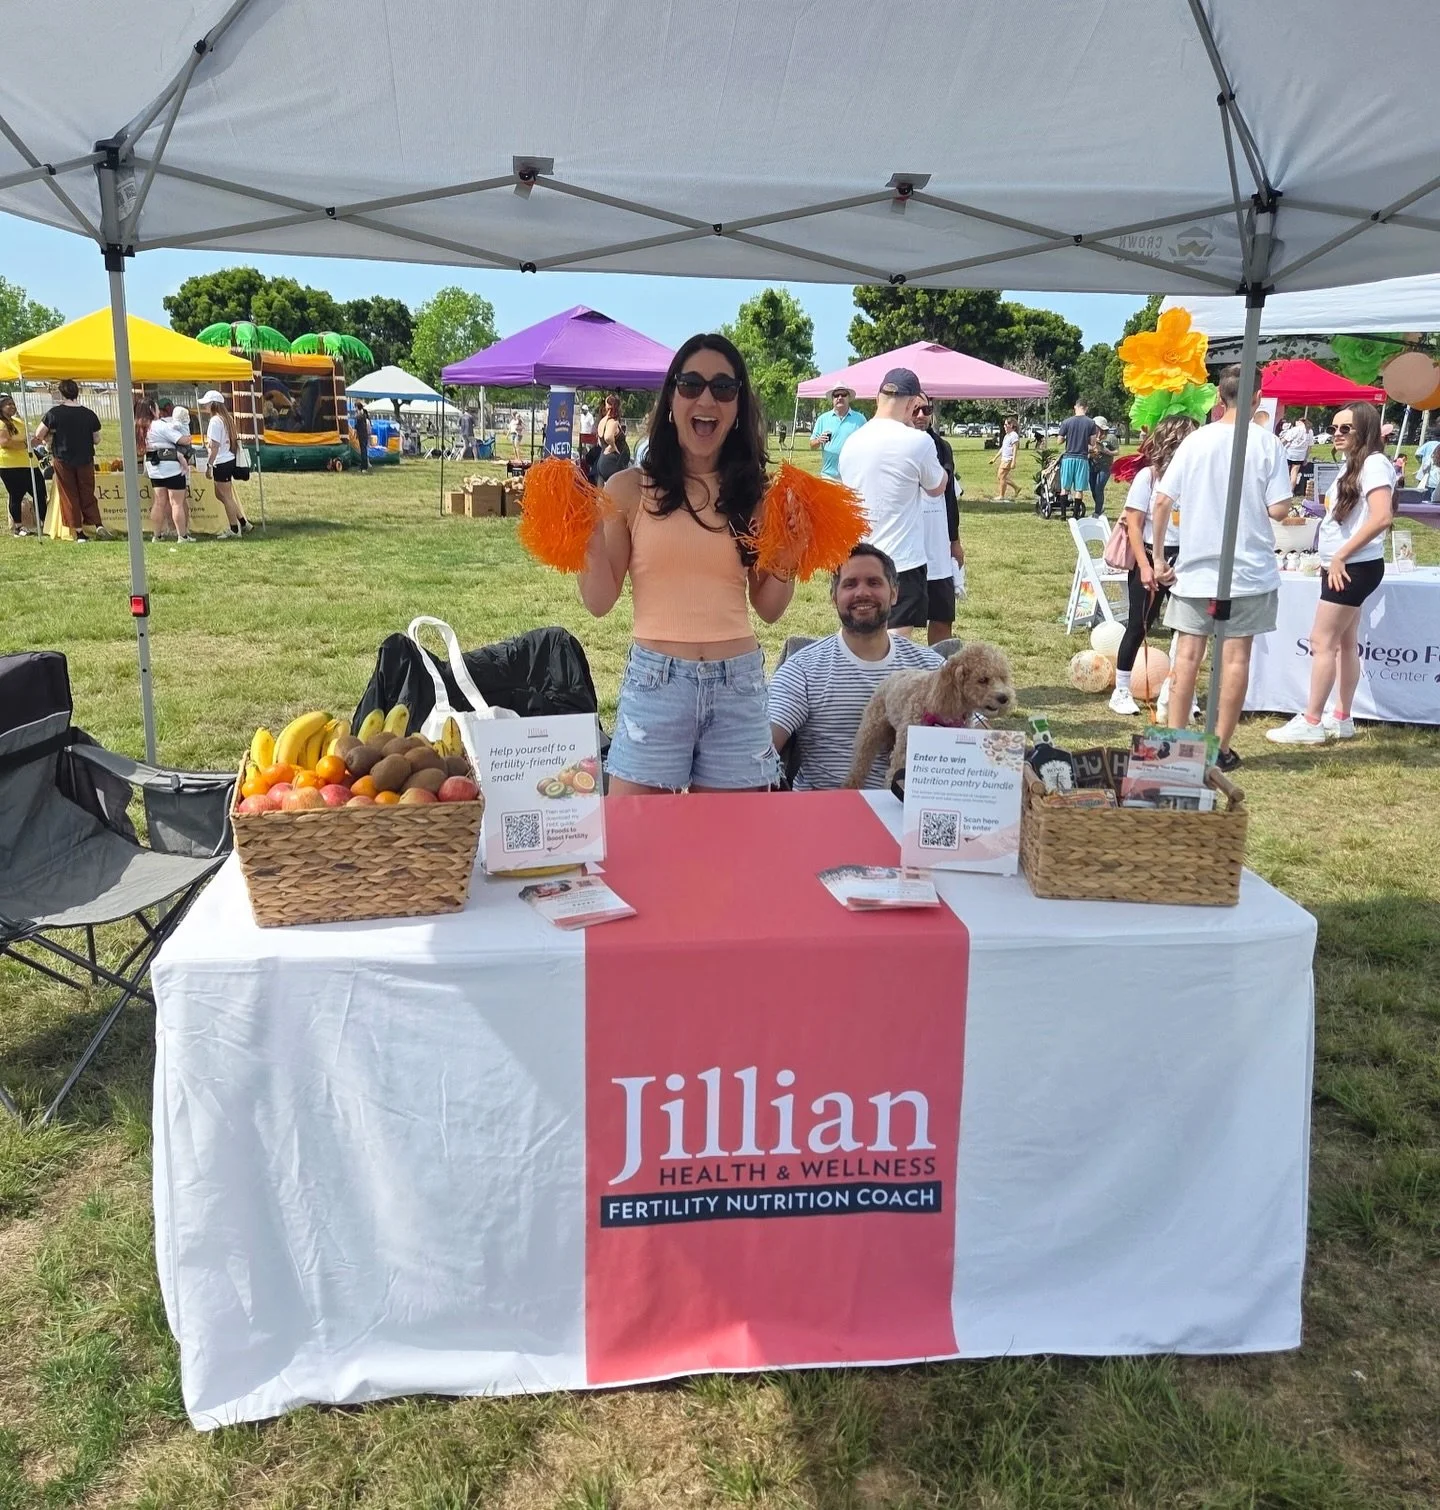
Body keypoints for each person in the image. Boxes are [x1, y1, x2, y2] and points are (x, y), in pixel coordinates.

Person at [578, 333, 793, 793]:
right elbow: (598, 601)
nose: (707, 399)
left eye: (724, 388)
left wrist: (789, 556)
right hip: (656, 684)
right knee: (637, 841)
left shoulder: (759, 496)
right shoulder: (628, 489)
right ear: (671, 398)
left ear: (739, 406)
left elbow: (770, 608)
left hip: (739, 686)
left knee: (732, 851)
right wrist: (583, 535)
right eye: (691, 384)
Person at [1150, 365, 1295, 772]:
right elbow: (1279, 508)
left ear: (1220, 397)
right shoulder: (1267, 444)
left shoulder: (1196, 441)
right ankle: (1219, 747)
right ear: (1256, 398)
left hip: (1196, 567)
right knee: (1234, 660)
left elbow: (1162, 500)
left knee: (1187, 658)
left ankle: (1176, 743)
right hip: (1249, 569)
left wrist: (1160, 556)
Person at [1267, 403, 1394, 744]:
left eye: (1345, 429)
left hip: (1352, 566)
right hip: (1348, 564)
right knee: (1344, 643)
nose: (1336, 434)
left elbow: (1382, 517)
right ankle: (1341, 716)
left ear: (1364, 430)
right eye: (1335, 428)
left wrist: (1340, 555)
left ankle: (1312, 720)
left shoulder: (1374, 464)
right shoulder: (1354, 465)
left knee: (1322, 642)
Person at [769, 543, 943, 789]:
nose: (862, 593)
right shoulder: (803, 670)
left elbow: (981, 745)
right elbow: (763, 747)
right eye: (850, 584)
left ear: (894, 593)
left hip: (910, 814)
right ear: (834, 597)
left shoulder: (932, 667)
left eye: (874, 582)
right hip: (825, 813)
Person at [837, 367, 948, 636]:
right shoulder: (918, 441)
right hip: (902, 562)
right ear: (912, 404)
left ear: (878, 398)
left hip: (857, 556)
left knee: (857, 638)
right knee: (895, 647)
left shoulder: (851, 442)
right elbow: (937, 487)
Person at [1108, 415, 1196, 715]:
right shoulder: (1148, 477)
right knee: (1138, 624)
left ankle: (1182, 691)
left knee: (1185, 629)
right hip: (1150, 554)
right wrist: (1145, 566)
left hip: (1186, 559)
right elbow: (1134, 525)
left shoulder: (1196, 476)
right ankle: (1121, 689)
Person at [911, 393, 964, 646]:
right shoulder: (897, 445)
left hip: (938, 545)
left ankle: (938, 674)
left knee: (942, 616)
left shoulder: (942, 447)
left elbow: (949, 497)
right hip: (905, 546)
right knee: (901, 621)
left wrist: (955, 541)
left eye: (926, 409)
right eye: (915, 409)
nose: (921, 415)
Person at [33, 380, 108, 542]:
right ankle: (98, 524)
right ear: (77, 392)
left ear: (61, 393)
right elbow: (96, 439)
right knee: (87, 492)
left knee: (70, 494)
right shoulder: (89, 414)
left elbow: (39, 434)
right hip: (86, 458)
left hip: (63, 459)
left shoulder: (54, 413)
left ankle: (80, 532)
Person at [138, 398, 193, 543]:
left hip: (153, 466)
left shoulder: (140, 428)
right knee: (177, 503)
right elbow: (182, 440)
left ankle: (156, 535)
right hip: (171, 465)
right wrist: (187, 435)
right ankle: (182, 535)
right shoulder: (159, 426)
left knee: (159, 501)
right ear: (151, 409)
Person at [199, 390, 252, 539]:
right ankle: (242, 523)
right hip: (228, 459)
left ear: (212, 404)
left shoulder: (215, 421)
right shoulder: (227, 418)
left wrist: (209, 465)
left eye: (206, 404)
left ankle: (234, 529)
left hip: (221, 461)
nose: (205, 407)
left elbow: (214, 446)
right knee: (222, 495)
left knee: (226, 496)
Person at [1, 394, 46, 537]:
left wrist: (34, 442)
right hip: (10, 465)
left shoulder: (18, 422)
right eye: (8, 404)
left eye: (13, 403)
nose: (12, 406)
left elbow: (27, 439)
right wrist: (26, 444)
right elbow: (5, 442)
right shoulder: (1, 423)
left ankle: (45, 521)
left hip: (29, 463)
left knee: (39, 492)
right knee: (17, 495)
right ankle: (18, 527)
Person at [809, 385, 865, 478]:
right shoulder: (822, 419)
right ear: (832, 399)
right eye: (836, 395)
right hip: (828, 475)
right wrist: (818, 440)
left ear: (849, 397)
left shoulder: (860, 419)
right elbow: (812, 445)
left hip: (852, 475)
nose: (839, 397)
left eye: (843, 394)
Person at [1057, 400, 1097, 513]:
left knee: (1065, 487)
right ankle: (1075, 514)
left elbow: (1059, 441)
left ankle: (1063, 514)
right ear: (1086, 408)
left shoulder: (1066, 422)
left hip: (1068, 457)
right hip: (1082, 458)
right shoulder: (1091, 423)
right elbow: (1093, 442)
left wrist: (1067, 437)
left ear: (1076, 407)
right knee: (1079, 489)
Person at [595, 392, 629, 484]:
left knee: (602, 495)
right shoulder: (612, 422)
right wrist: (613, 445)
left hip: (603, 461)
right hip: (612, 463)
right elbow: (608, 437)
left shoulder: (602, 421)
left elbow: (600, 440)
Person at [1088, 415, 1117, 516]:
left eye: (1095, 426)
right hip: (1092, 465)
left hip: (1105, 467)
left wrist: (1105, 451)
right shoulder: (1091, 436)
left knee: (1098, 488)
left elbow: (1116, 452)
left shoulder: (1111, 437)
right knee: (1092, 488)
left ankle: (1097, 512)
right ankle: (1100, 507)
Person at [1281, 412, 1313, 491]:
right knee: (1294, 473)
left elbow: (1284, 440)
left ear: (1300, 422)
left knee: (1285, 472)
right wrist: (1306, 457)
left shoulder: (1295, 429)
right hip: (1300, 455)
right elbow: (1309, 446)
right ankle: (1291, 490)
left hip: (1289, 453)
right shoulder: (1310, 431)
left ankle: (1283, 489)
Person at [993, 416, 1021, 500]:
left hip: (1008, 459)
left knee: (1001, 476)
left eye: (1006, 425)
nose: (1004, 426)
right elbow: (1002, 448)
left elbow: (1015, 449)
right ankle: (1016, 488)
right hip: (1004, 459)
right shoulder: (1007, 436)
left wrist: (1013, 461)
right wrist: (995, 458)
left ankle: (1001, 495)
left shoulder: (1014, 436)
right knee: (1001, 477)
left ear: (1011, 425)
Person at [352, 401, 371, 472]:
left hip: (362, 435)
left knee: (363, 451)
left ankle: (364, 467)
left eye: (355, 407)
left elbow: (357, 423)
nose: (354, 409)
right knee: (363, 451)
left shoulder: (360, 415)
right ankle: (363, 466)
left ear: (357, 407)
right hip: (362, 435)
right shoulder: (361, 414)